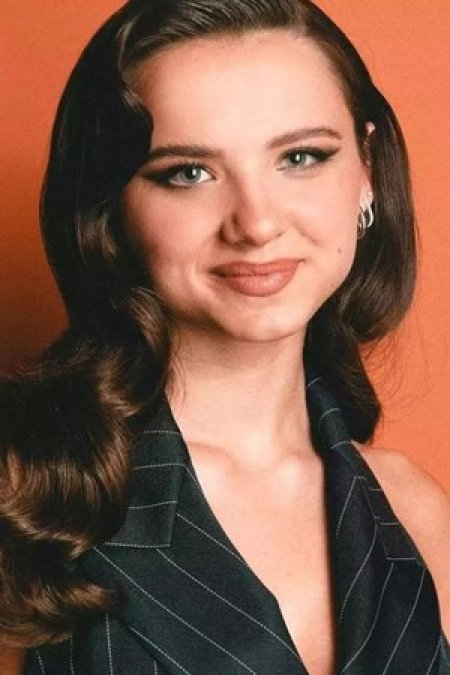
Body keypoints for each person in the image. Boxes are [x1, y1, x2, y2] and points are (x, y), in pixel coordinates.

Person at [0, 0, 449, 673]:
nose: (257, 223)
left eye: (301, 156)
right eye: (189, 172)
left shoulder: (413, 510)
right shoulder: (25, 495)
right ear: (110, 206)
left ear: (365, 168)